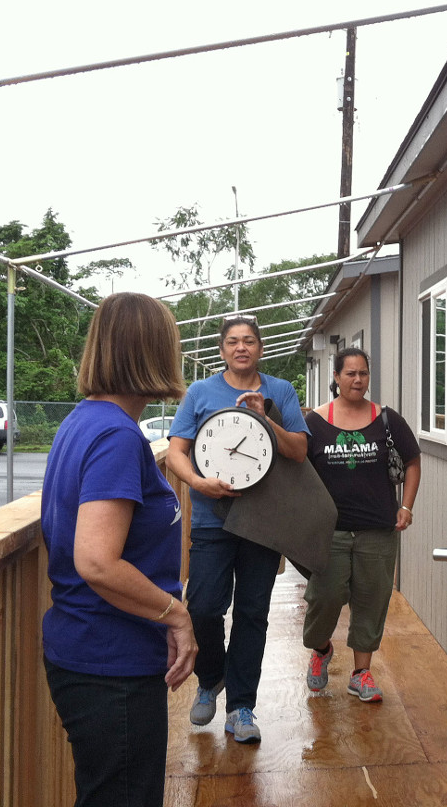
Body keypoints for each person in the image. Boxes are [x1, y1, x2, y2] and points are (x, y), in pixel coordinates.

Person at [41, 292, 196, 807]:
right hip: (110, 664)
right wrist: (176, 615)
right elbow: (96, 560)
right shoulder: (115, 437)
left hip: (93, 653)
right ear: (150, 352)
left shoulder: (85, 421)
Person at [167, 314, 310, 744]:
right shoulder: (200, 392)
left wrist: (267, 419)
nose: (241, 347)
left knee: (252, 613)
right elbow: (176, 451)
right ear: (222, 349)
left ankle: (241, 707)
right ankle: (211, 678)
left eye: (249, 340)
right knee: (204, 607)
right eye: (233, 341)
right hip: (212, 518)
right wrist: (196, 481)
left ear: (260, 347)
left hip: (264, 522)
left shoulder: (279, 390)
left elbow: (300, 451)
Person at [302, 347, 422, 702]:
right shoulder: (314, 422)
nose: (357, 380)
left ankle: (361, 673)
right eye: (350, 373)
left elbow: (413, 462)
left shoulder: (386, 419)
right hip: (329, 532)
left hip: (378, 529)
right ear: (336, 378)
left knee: (372, 600)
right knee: (324, 598)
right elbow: (296, 470)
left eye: (363, 374)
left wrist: (406, 506)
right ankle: (321, 649)